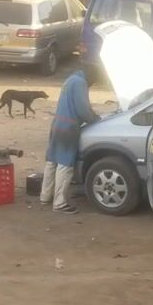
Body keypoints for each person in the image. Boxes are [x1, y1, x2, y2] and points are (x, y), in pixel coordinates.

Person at [40, 64, 100, 215]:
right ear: (90, 75)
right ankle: (59, 203)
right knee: (65, 165)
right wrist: (95, 119)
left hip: (57, 123)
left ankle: (45, 196)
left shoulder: (70, 79)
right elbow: (82, 109)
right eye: (92, 81)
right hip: (69, 126)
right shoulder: (80, 82)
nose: (91, 84)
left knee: (52, 161)